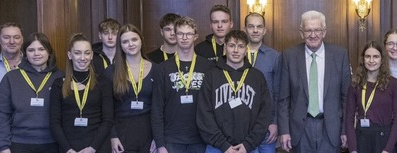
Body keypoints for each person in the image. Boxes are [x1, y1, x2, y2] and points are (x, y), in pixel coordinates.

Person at [278, 10, 351, 152]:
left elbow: (346, 98)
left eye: (317, 30)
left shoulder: (340, 55)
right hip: (300, 129)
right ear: (301, 32)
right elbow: (283, 99)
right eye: (308, 30)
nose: (313, 35)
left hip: (331, 128)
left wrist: (345, 130)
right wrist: (284, 131)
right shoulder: (289, 56)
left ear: (324, 32)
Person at [197, 30, 273, 153]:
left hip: (249, 148)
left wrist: (248, 144)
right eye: (232, 46)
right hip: (216, 147)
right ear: (225, 48)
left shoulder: (257, 77)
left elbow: (264, 114)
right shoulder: (211, 76)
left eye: (241, 46)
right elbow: (204, 115)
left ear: (246, 49)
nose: (236, 50)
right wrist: (223, 145)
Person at [151, 16, 214, 153]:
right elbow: (157, 108)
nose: (184, 37)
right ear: (175, 35)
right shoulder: (162, 68)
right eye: (180, 33)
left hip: (201, 138)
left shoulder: (208, 67)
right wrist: (160, 144)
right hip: (172, 139)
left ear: (195, 36)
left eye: (189, 34)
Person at [0, 33, 63, 153]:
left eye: (41, 49)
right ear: (25, 54)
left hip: (53, 144)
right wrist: (3, 147)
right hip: (19, 144)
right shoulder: (11, 78)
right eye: (31, 50)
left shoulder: (61, 77)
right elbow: (2, 115)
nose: (36, 54)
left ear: (49, 52)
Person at [50, 33, 113, 153]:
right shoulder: (59, 84)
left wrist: (92, 148)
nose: (83, 58)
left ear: (92, 55)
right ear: (70, 55)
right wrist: (68, 149)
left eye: (87, 53)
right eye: (77, 53)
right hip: (68, 147)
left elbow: (108, 120)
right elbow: (54, 123)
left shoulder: (103, 83)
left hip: (97, 146)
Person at [345, 41, 397, 153]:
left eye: (375, 56)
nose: (371, 60)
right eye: (368, 56)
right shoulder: (355, 84)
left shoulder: (394, 84)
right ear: (363, 59)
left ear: (382, 60)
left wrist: (388, 149)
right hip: (360, 140)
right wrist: (352, 149)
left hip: (384, 141)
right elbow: (349, 118)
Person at [106, 24, 156, 153]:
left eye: (134, 39)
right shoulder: (111, 72)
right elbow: (106, 109)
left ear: (141, 40)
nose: (130, 44)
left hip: (149, 131)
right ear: (120, 45)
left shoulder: (157, 70)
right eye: (125, 41)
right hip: (122, 132)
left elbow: (161, 107)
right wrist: (113, 136)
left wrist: (158, 138)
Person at [243, 12, 281, 153]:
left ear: (264, 30)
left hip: (267, 127)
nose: (255, 30)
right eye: (251, 26)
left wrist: (275, 122)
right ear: (245, 29)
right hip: (242, 128)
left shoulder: (275, 57)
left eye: (259, 27)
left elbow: (278, 94)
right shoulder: (235, 54)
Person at [0, 23, 24, 153]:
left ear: (22, 40)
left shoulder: (33, 65)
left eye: (16, 37)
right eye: (6, 37)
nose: (12, 41)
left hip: (25, 132)